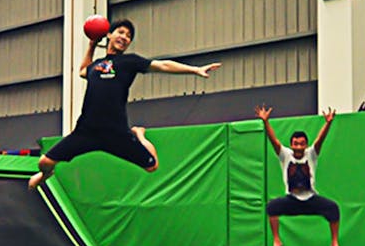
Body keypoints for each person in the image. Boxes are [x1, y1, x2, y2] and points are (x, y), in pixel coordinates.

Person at [28, 19, 221, 190]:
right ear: (109, 35)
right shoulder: (96, 65)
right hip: (86, 130)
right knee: (44, 162)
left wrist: (195, 70)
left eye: (129, 36)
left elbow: (163, 65)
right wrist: (92, 45)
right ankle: (46, 176)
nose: (125, 37)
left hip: (116, 131)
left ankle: (139, 134)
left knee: (152, 166)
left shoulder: (130, 62)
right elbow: (82, 71)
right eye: (120, 32)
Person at [254, 104, 343, 246]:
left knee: (333, 208)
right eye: (296, 143)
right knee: (271, 207)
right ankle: (277, 240)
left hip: (311, 199)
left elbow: (320, 140)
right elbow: (273, 140)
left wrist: (328, 123)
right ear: (292, 145)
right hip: (292, 200)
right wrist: (265, 122)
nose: (299, 146)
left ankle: (334, 242)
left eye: (302, 143)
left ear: (306, 145)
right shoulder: (285, 155)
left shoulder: (311, 154)